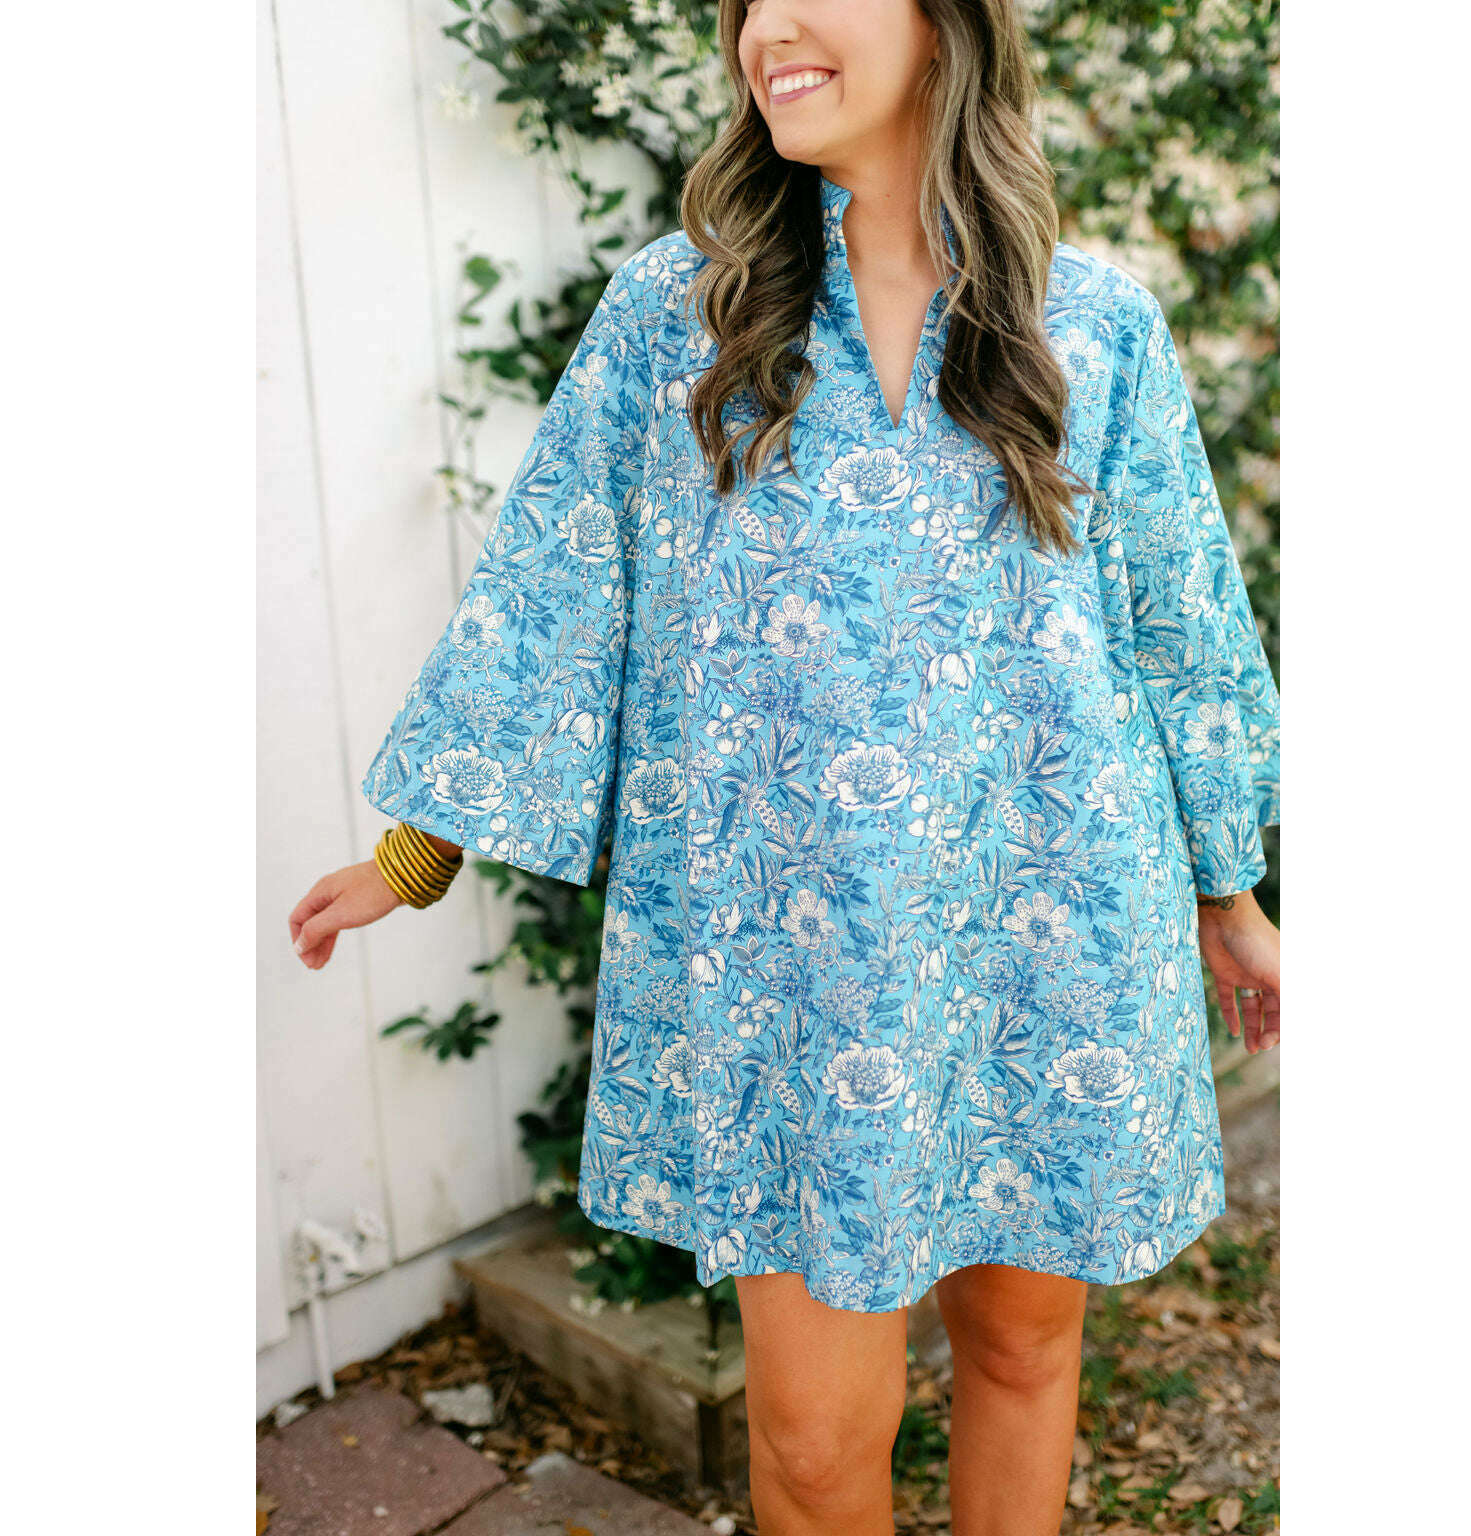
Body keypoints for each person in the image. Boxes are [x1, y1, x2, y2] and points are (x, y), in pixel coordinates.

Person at [288, 0, 1280, 1529]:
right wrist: (415, 853)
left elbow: (1181, 620)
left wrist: (1232, 898)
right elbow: (557, 585)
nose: (771, 27)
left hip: (1052, 926)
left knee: (1022, 1350)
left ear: (946, 28)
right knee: (815, 1444)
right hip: (786, 964)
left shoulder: (1094, 325)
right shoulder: (676, 314)